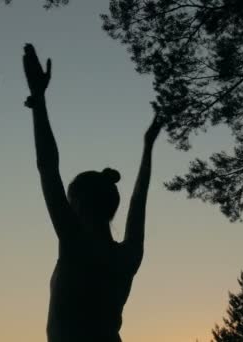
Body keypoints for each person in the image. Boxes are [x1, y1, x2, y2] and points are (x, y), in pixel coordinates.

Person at [23, 43, 163, 342]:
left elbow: (47, 166)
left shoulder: (74, 242)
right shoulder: (127, 256)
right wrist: (148, 147)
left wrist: (39, 100)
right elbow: (140, 197)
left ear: (79, 204)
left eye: (70, 200)